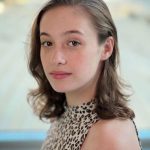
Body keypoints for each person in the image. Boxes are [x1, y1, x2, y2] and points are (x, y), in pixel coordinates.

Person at [27, 0, 142, 149]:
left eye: (73, 43)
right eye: (47, 43)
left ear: (106, 48)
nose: (56, 59)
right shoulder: (67, 112)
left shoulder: (111, 134)